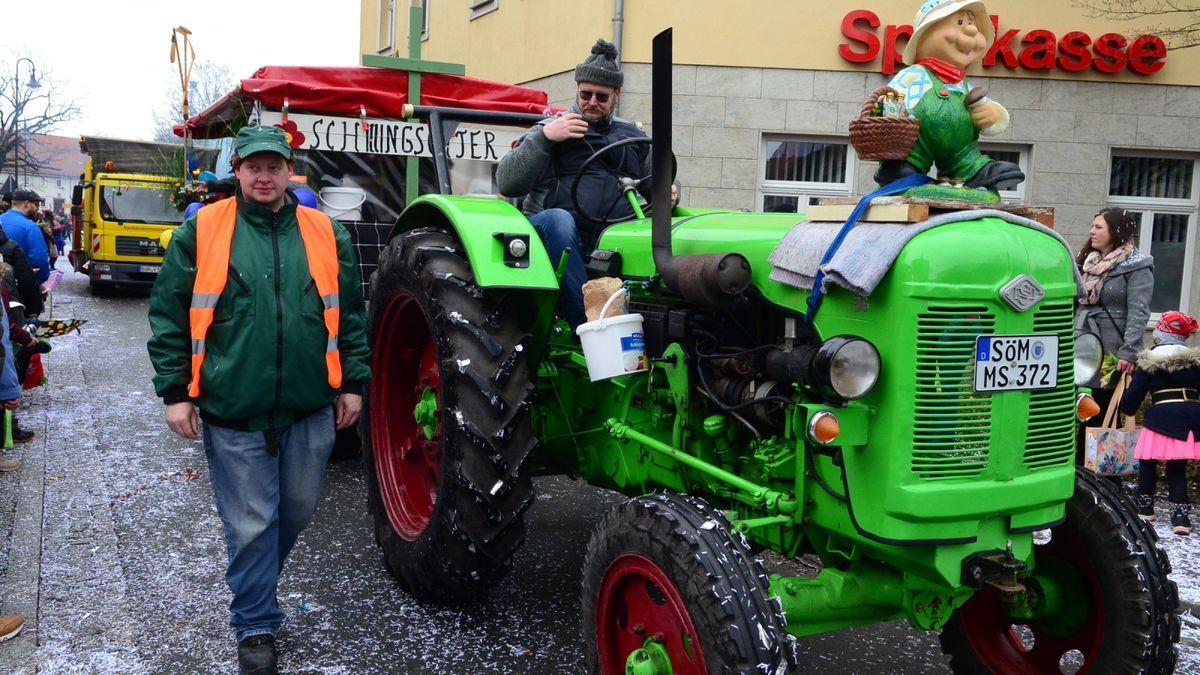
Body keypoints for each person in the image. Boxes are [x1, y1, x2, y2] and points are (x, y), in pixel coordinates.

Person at [147, 125, 370, 675]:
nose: (264, 176)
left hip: (309, 406)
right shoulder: (202, 231)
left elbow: (351, 316)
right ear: (238, 170)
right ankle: (254, 624)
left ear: (289, 169)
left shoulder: (325, 232)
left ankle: (255, 591)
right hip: (232, 409)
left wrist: (353, 384)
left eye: (274, 166)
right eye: (254, 166)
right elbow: (169, 316)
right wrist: (177, 393)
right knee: (251, 523)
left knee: (293, 512)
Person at [497, 38, 651, 328]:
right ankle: (591, 325)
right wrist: (545, 138)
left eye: (601, 97)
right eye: (586, 94)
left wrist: (673, 188)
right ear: (577, 90)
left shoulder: (633, 136)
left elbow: (659, 182)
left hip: (612, 239)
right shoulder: (549, 129)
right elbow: (507, 182)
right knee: (559, 220)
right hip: (552, 234)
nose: (592, 102)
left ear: (617, 94)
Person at [873, 0, 1023, 189]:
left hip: (960, 152)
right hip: (914, 145)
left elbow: (989, 119)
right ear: (924, 35)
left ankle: (971, 170)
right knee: (907, 156)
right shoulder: (915, 75)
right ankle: (901, 168)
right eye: (960, 23)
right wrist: (885, 111)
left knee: (966, 155)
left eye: (971, 24)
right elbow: (890, 96)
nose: (971, 31)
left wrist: (991, 114)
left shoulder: (964, 86)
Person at [1076, 208, 1154, 458]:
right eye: (1092, 226)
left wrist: (1129, 352)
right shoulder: (1087, 261)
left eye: (1098, 227)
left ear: (1116, 230)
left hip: (1112, 351)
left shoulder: (1137, 265)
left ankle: (1100, 474)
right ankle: (1077, 471)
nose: (1092, 231)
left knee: (1101, 411)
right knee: (1079, 409)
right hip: (1082, 344)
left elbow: (1139, 312)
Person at [1120, 311, 1200, 535]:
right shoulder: (1195, 362)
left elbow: (1135, 393)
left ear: (1161, 332)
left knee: (1148, 462)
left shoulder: (1150, 360)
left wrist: (1126, 409)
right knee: (1177, 467)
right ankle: (1180, 517)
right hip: (1191, 417)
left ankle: (1145, 508)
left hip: (1161, 416)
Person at [0, 190, 51, 284]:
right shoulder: (30, 227)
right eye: (36, 204)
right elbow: (40, 260)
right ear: (26, 204)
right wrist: (37, 282)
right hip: (21, 284)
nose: (37, 209)